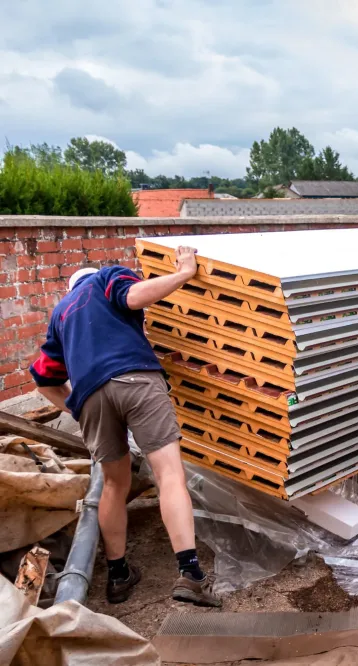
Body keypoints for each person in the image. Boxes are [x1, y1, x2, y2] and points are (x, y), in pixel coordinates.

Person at [29, 247, 221, 607]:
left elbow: (43, 379)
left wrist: (76, 406)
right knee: (168, 474)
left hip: (90, 397)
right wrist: (183, 273)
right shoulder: (107, 277)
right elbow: (133, 297)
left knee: (114, 484)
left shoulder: (60, 315)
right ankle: (191, 574)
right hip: (135, 377)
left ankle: (118, 575)